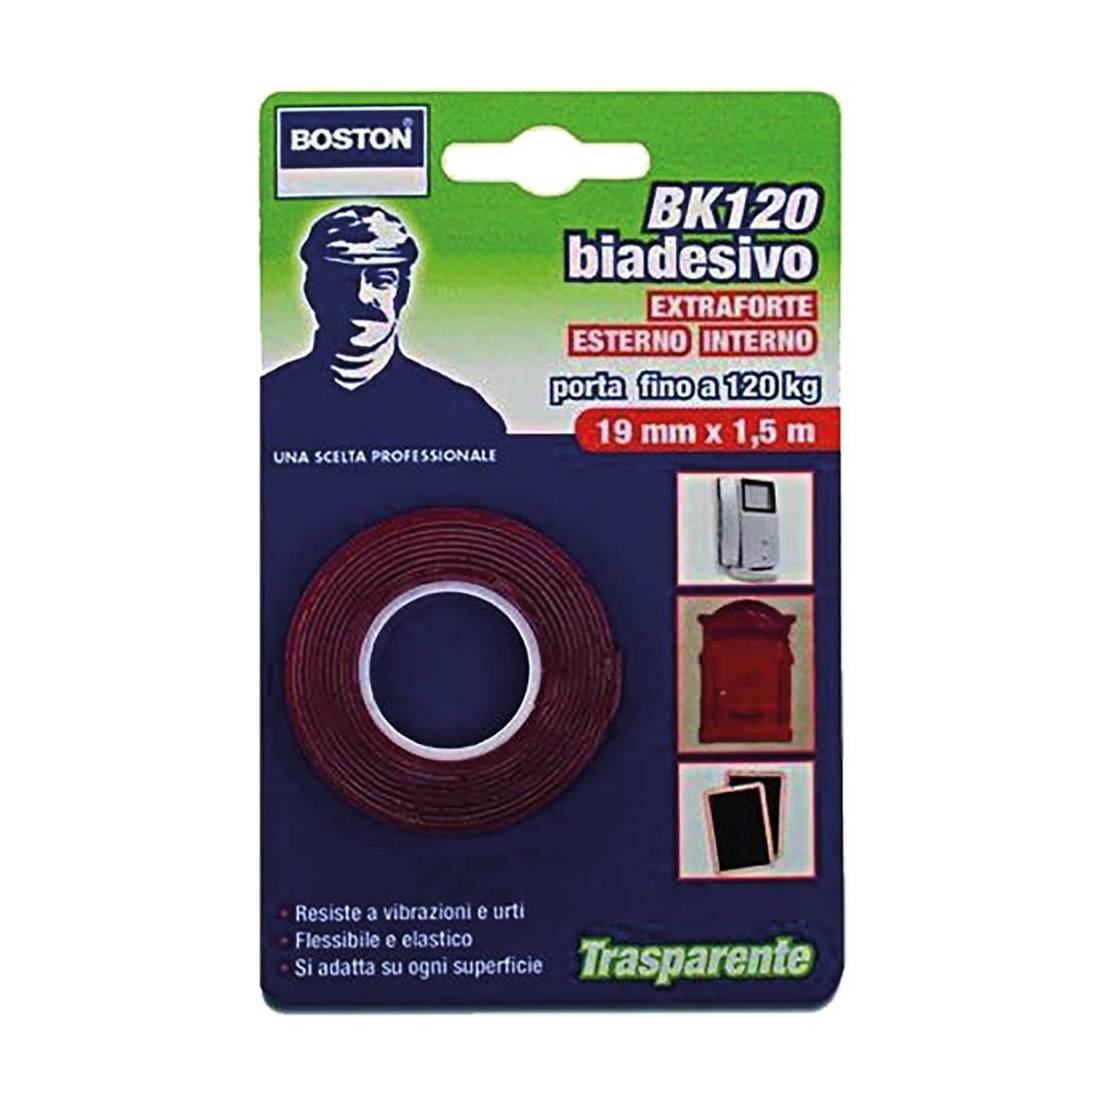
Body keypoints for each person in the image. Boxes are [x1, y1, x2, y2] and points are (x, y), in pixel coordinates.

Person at [263, 205, 505, 442]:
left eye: (381, 280)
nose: (362, 297)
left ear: (403, 292)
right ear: (312, 290)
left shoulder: (463, 417)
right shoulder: (263, 405)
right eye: (341, 280)